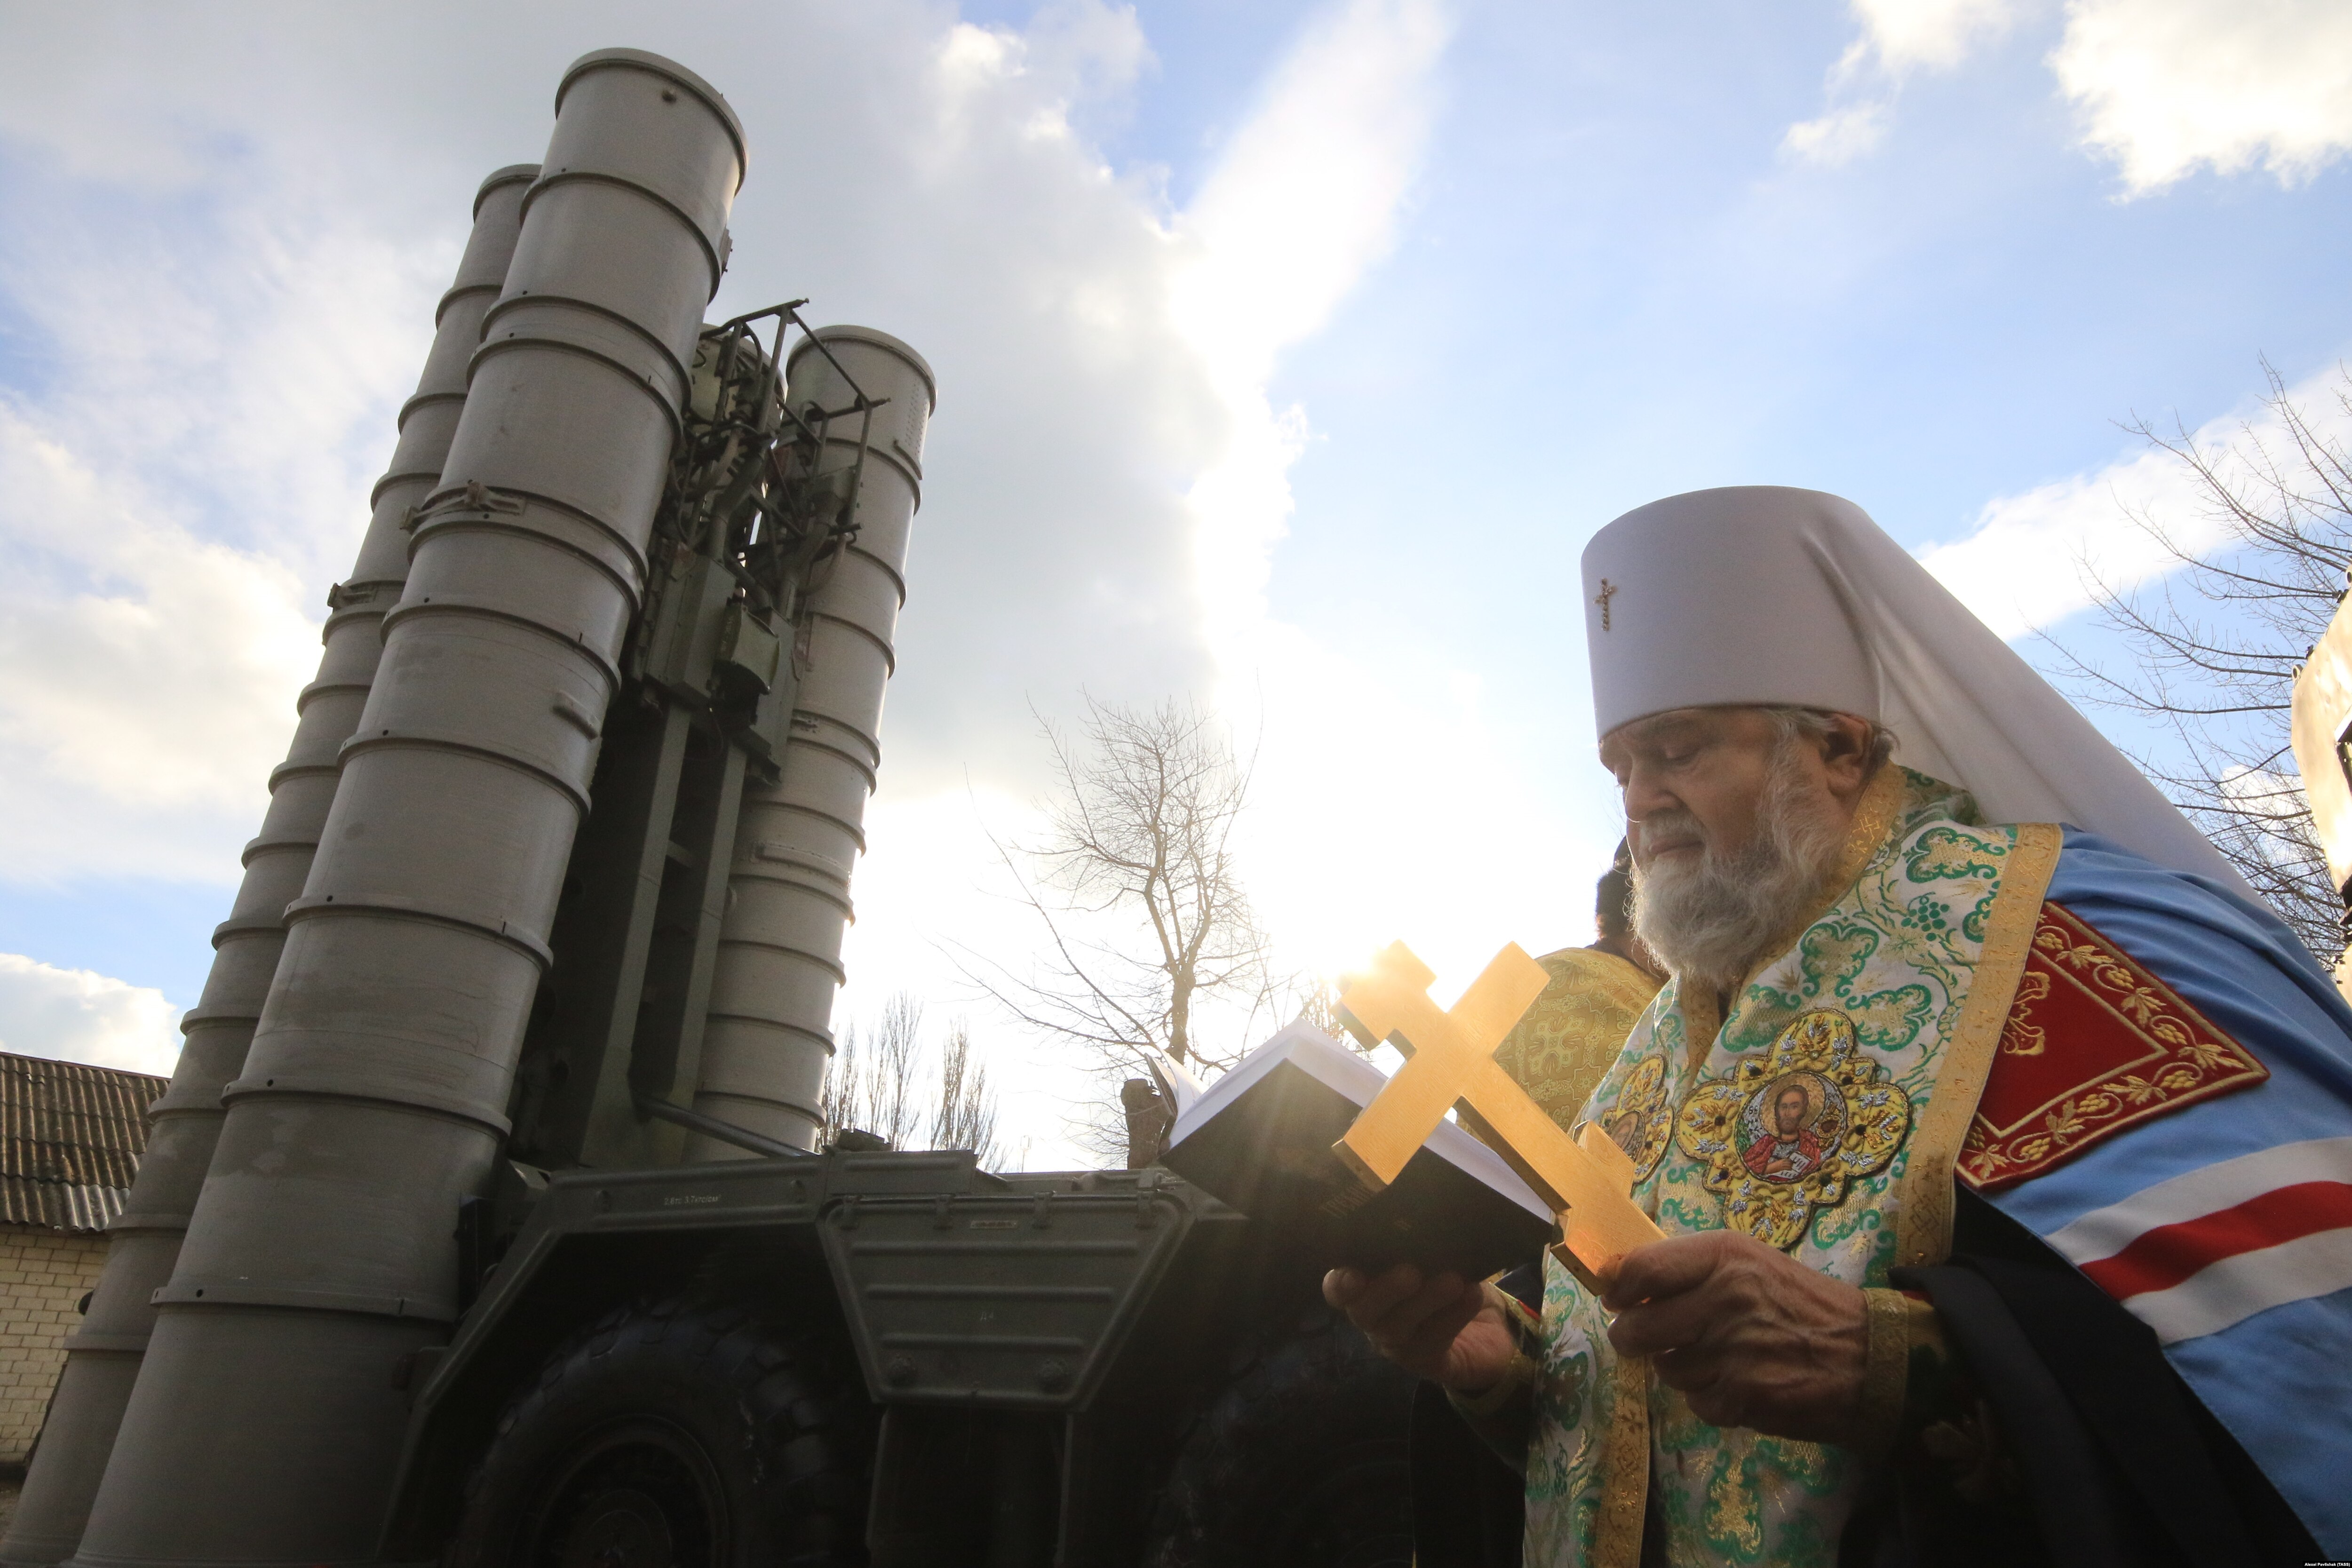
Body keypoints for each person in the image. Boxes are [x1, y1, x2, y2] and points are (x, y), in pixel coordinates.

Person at [1328, 486, 2352, 1567]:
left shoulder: (2056, 933)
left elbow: (2285, 1346)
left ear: (1838, 747)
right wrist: (1505, 1367)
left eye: (1676, 749)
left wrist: (1894, 1363)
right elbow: (1635, 1436)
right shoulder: (1652, 1048)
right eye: (1621, 767)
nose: (1638, 800)